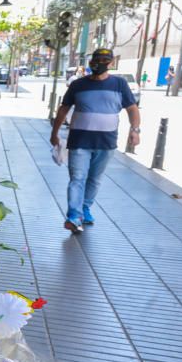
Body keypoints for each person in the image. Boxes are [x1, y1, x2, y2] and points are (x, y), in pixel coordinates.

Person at [50, 48, 140, 235]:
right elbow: (63, 109)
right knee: (77, 178)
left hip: (105, 142)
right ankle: (74, 216)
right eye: (96, 59)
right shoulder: (78, 85)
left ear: (111, 63)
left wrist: (135, 130)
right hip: (79, 140)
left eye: (104, 60)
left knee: (94, 179)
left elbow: (132, 109)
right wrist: (55, 132)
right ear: (91, 61)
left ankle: (85, 208)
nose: (99, 63)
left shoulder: (119, 84)